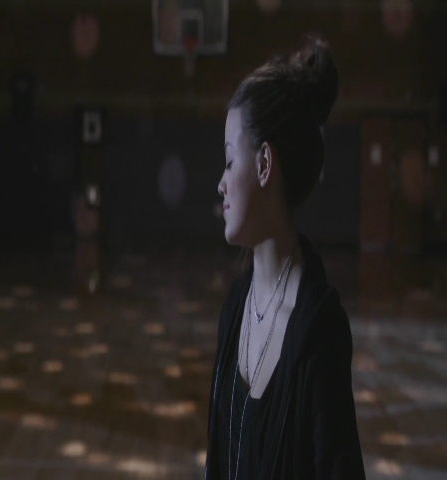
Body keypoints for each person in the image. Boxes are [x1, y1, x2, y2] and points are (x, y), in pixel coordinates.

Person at [205, 34, 366, 480]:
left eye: (229, 161)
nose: (220, 183)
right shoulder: (235, 308)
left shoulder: (318, 329)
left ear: (263, 165)